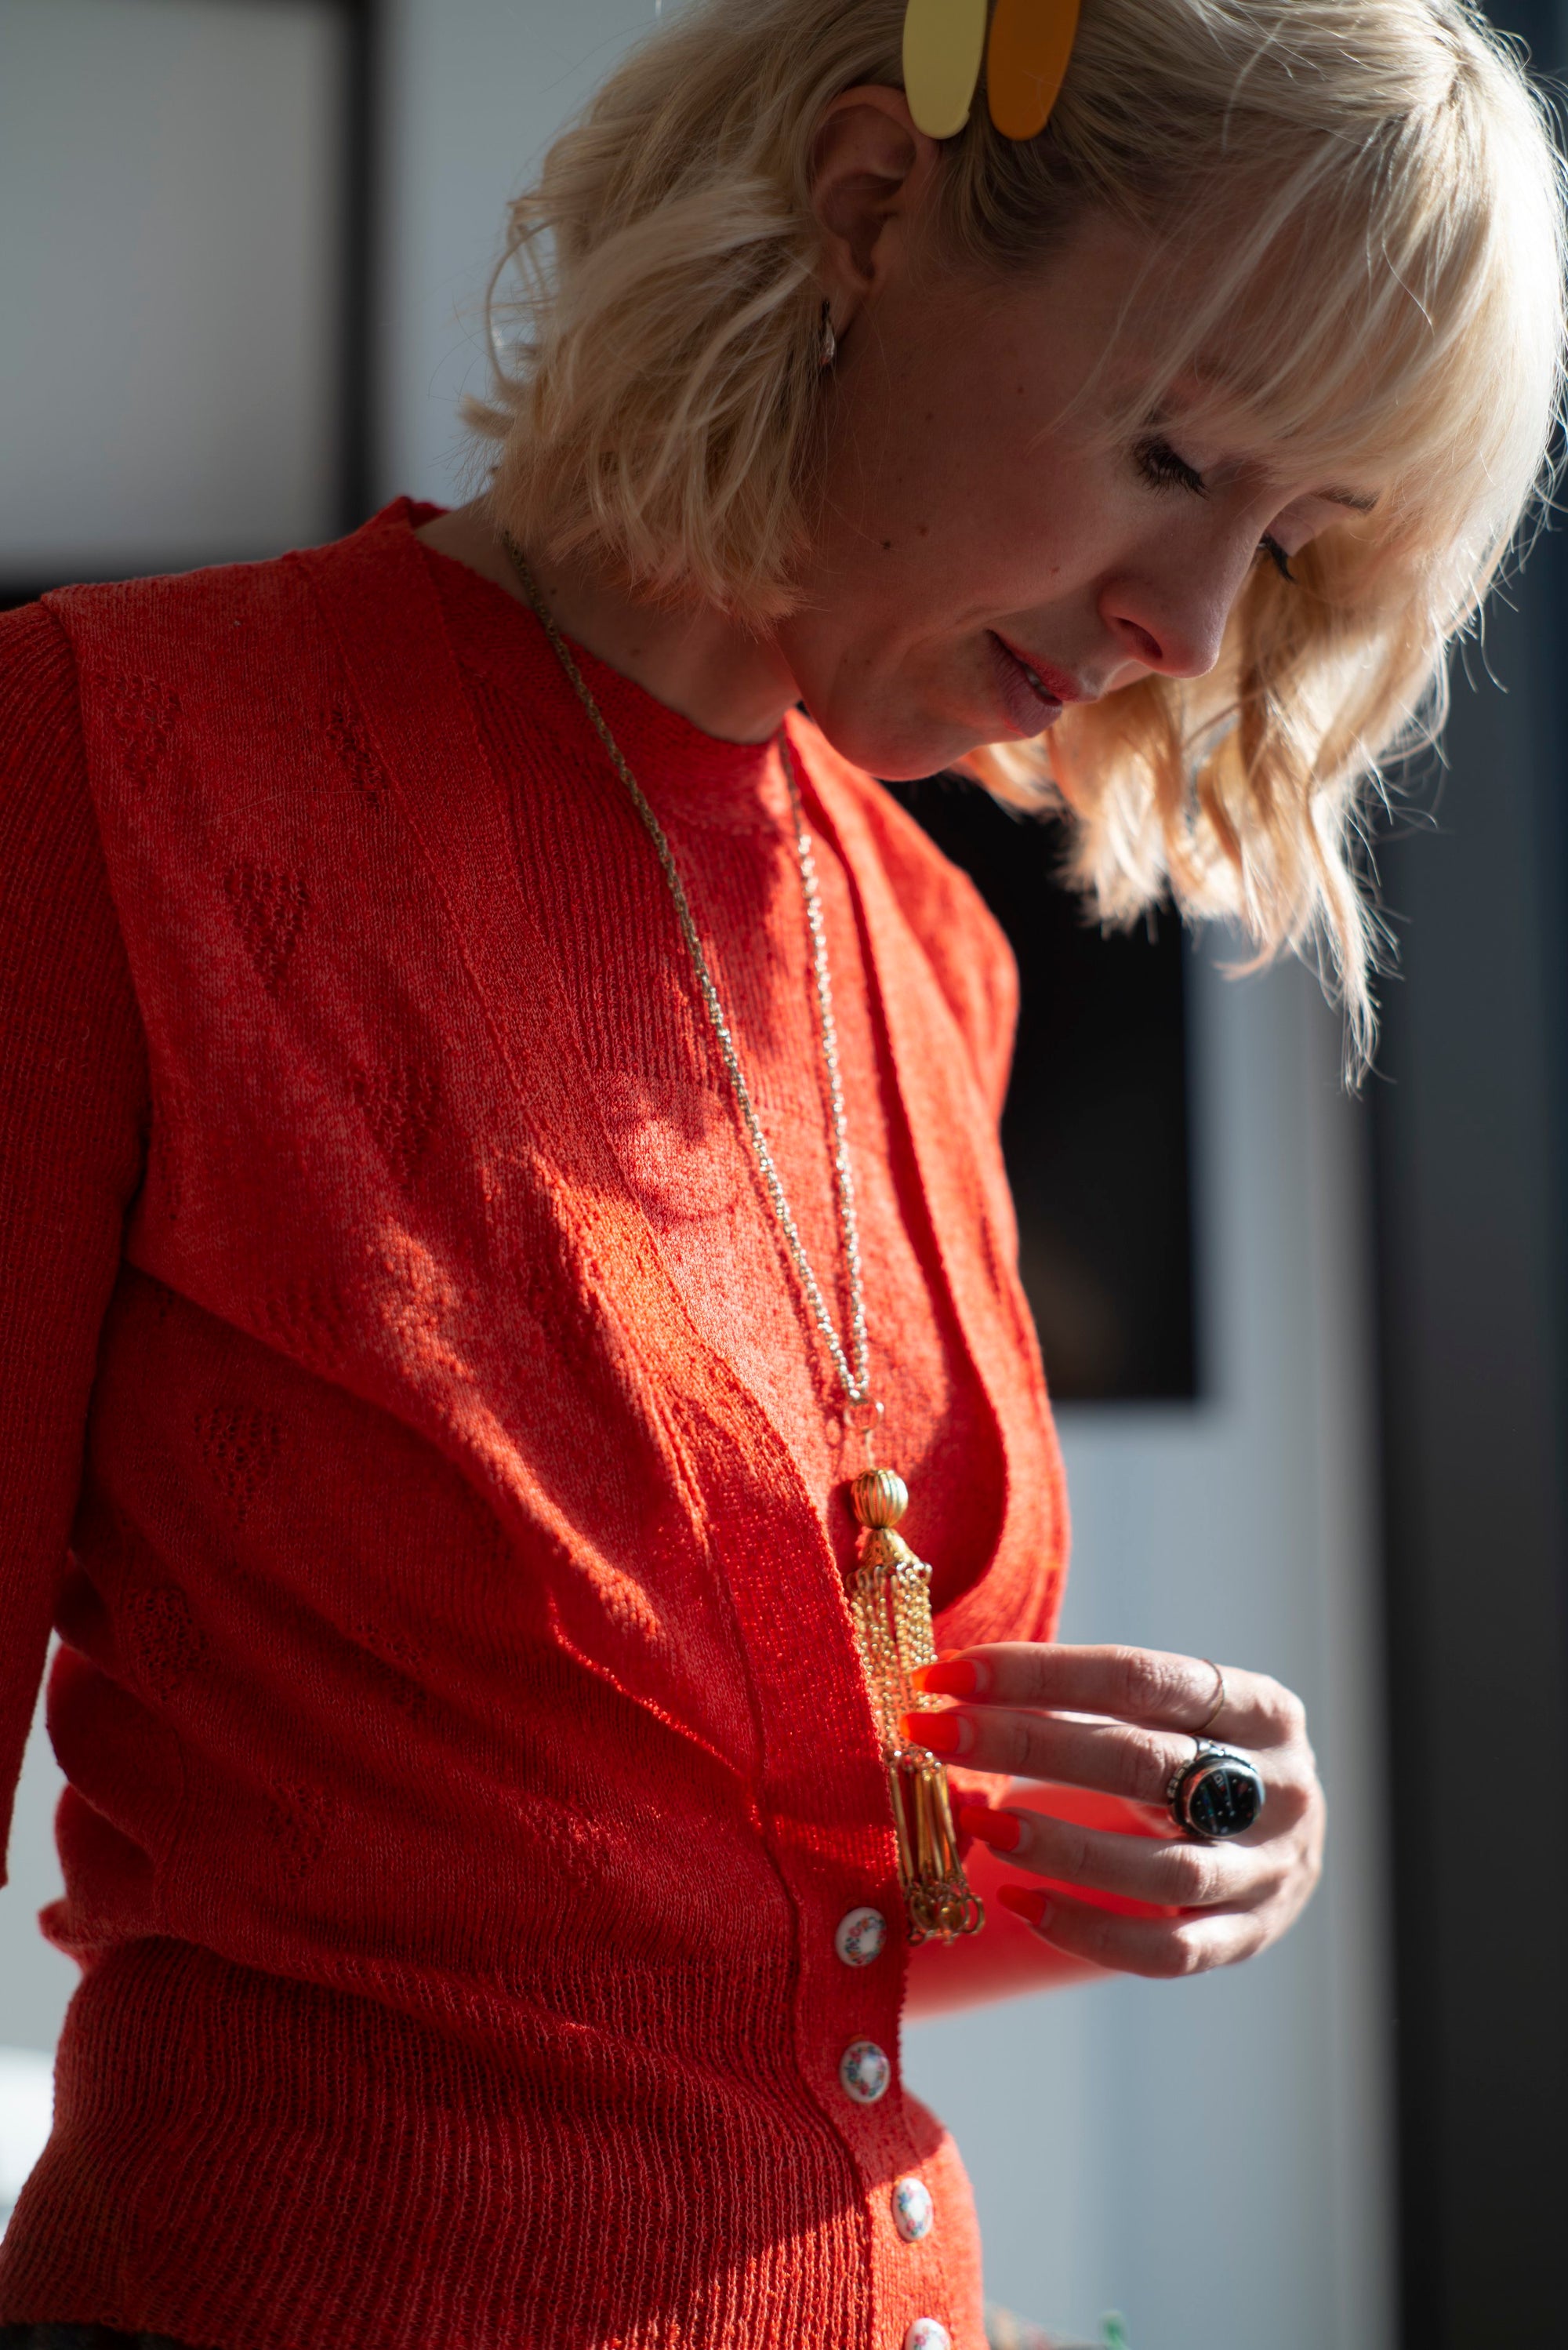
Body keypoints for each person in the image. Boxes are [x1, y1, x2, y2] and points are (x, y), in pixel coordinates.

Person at [0, 2, 1559, 2347]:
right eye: (1172, 453)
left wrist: (1205, 1840)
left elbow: (805, 1908)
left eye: (1290, 545)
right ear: (865, 207)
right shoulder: (117, 772)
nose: (1197, 628)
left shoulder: (934, 951)